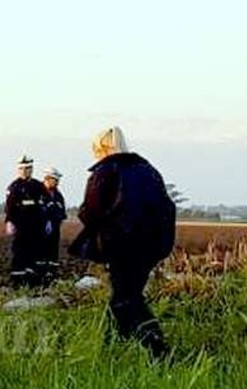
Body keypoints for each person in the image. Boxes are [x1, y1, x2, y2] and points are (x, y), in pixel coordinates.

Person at [69, 127, 175, 358]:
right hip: (152, 246)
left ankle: (157, 349)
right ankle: (112, 344)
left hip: (121, 245)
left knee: (126, 298)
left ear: (102, 148)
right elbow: (167, 208)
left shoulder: (106, 171)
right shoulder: (149, 171)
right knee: (126, 293)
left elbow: (91, 211)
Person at [3, 154, 46, 288]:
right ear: (18, 170)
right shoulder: (14, 187)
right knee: (20, 253)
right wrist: (9, 221)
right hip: (21, 226)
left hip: (36, 226)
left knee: (34, 253)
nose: (25, 171)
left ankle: (33, 282)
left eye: (28, 168)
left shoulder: (37, 186)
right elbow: (9, 206)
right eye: (23, 169)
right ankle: (18, 282)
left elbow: (44, 201)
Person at [37, 167, 66, 284]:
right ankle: (39, 278)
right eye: (55, 180)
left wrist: (56, 222)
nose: (57, 183)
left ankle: (51, 276)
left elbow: (62, 212)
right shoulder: (37, 193)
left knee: (53, 254)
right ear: (47, 179)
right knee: (40, 255)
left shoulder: (58, 196)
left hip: (54, 230)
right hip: (39, 231)